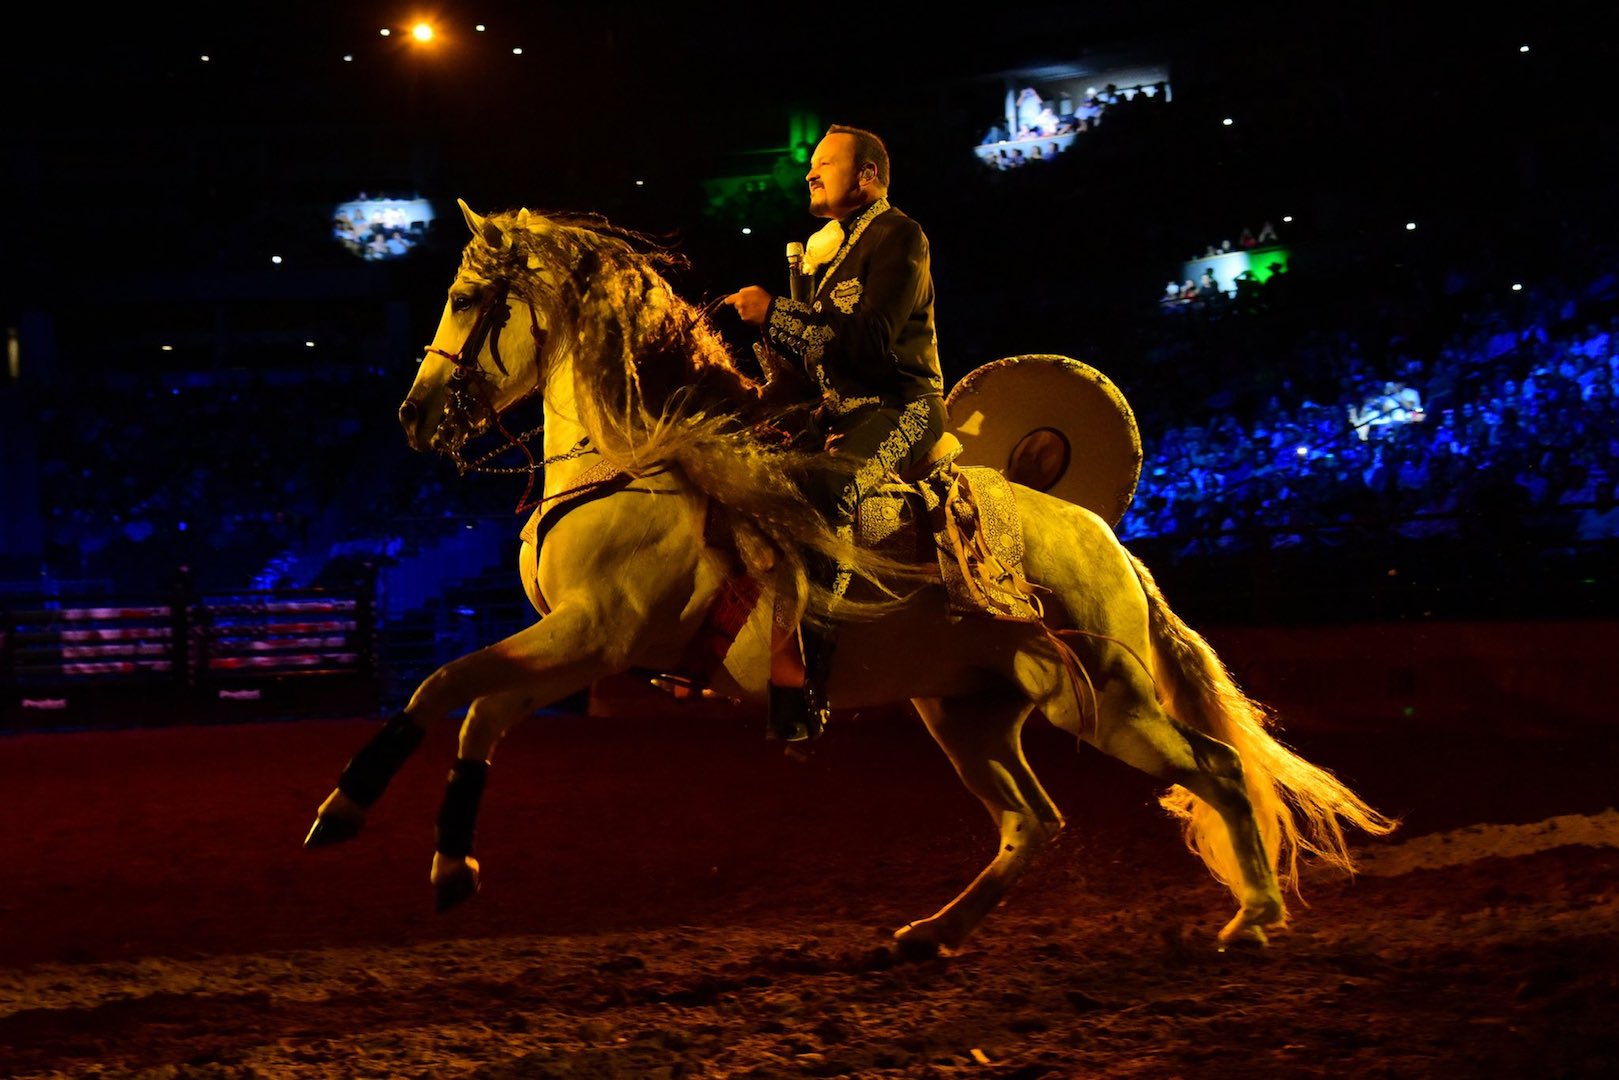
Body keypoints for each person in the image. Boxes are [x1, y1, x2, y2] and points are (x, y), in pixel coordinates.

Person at [723, 123, 947, 743]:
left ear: (868, 176)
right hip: (839, 411)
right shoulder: (827, 257)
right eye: (810, 166)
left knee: (825, 490)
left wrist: (777, 312)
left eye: (825, 163)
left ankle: (805, 682)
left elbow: (872, 345)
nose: (810, 174)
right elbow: (811, 360)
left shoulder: (900, 234)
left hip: (903, 403)